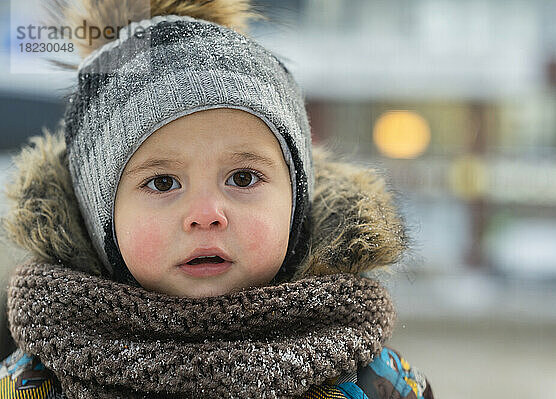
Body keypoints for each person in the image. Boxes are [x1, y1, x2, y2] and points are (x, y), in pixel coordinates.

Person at [0, 0, 435, 398]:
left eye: (243, 178)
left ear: (296, 202)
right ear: (100, 219)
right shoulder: (36, 382)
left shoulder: (371, 378)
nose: (206, 215)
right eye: (163, 183)